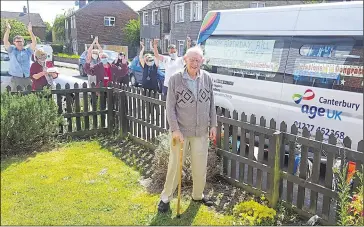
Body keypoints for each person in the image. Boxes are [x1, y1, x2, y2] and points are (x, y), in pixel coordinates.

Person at [157, 46, 217, 213]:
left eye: (198, 60)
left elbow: (212, 104)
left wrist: (213, 125)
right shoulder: (176, 79)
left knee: (200, 166)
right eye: (192, 60)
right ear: (185, 60)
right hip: (181, 133)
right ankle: (165, 197)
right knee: (175, 166)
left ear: (202, 62)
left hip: (201, 132)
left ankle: (198, 195)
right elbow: (170, 107)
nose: (195, 63)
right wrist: (175, 129)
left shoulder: (207, 79)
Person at [3, 21, 37, 91]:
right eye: (17, 41)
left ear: (23, 42)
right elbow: (5, 41)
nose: (19, 43)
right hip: (16, 78)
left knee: (29, 97)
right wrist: (8, 30)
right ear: (14, 43)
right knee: (17, 97)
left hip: (27, 78)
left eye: (20, 41)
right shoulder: (12, 50)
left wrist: (30, 31)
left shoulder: (27, 51)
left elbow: (34, 42)